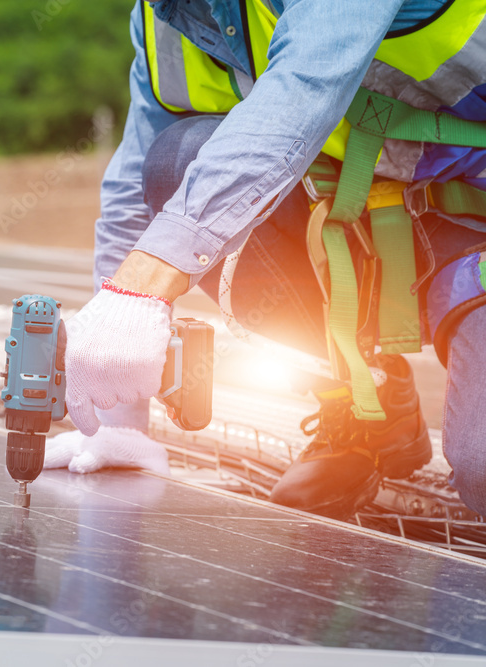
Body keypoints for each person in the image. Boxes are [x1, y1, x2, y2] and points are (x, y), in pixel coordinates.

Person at [43, 0, 486, 520]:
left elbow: (301, 94)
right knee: (178, 161)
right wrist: (117, 417)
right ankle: (367, 404)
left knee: (480, 465)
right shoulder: (168, 13)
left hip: (471, 214)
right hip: (368, 216)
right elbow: (134, 178)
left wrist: (146, 283)